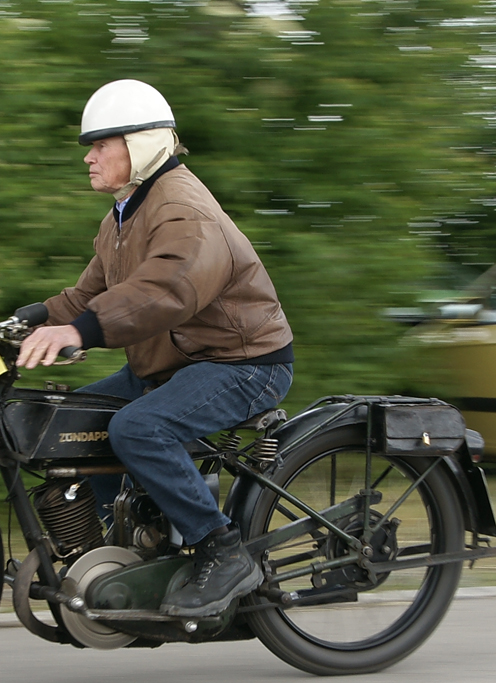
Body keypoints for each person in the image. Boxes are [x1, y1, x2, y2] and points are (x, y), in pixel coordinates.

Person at [16, 79, 294, 617]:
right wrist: (24, 322)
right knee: (64, 422)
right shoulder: (122, 216)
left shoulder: (183, 210)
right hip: (172, 363)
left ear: (140, 145)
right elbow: (87, 297)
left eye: (101, 145)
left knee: (138, 428)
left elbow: (168, 292)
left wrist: (78, 333)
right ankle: (102, 546)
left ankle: (222, 549)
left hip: (239, 361)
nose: (89, 158)